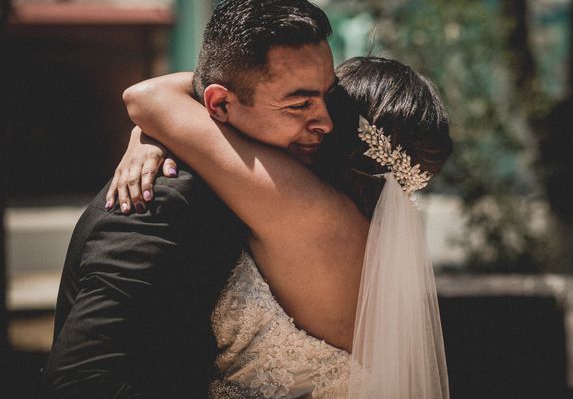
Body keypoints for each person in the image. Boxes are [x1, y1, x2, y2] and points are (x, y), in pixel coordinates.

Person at [43, 0, 335, 399]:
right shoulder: (159, 200)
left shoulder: (250, 181)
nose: (325, 122)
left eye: (327, 95)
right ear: (218, 105)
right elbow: (82, 380)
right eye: (299, 104)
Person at [119, 55, 453, 398]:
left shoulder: (305, 206)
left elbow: (148, 98)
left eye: (321, 101)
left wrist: (147, 135)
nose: (313, 114)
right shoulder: (382, 242)